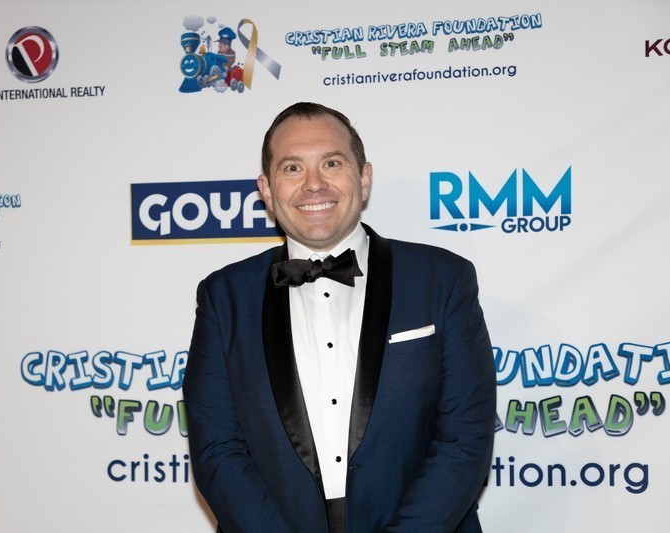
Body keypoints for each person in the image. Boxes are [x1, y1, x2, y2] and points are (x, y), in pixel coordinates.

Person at [184, 102, 496, 532]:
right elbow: (217, 450)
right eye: (293, 168)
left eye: (332, 163)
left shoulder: (442, 279)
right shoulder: (224, 297)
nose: (314, 185)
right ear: (267, 190)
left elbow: (465, 437)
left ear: (363, 178)